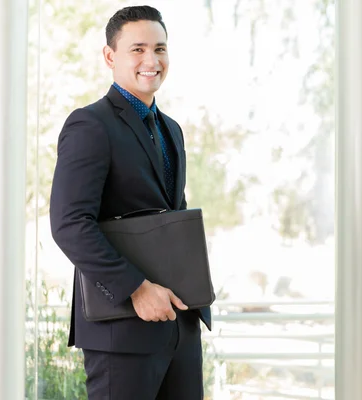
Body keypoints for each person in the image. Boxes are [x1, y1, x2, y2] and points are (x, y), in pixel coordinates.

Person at [49, 5, 211, 399]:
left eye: (160, 48)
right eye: (137, 49)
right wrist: (136, 289)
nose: (151, 60)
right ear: (110, 57)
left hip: (180, 326)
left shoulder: (171, 129)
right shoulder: (90, 125)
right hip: (121, 329)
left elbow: (171, 219)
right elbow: (69, 223)